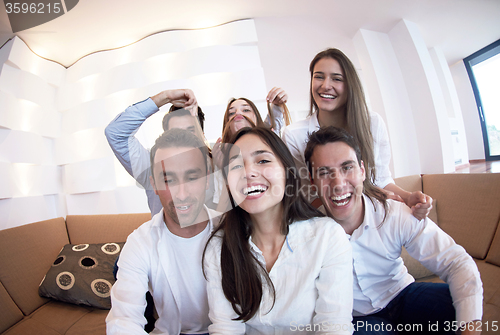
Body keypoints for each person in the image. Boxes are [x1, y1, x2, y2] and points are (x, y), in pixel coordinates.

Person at [304, 126, 483, 335]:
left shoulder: (393, 212)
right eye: (324, 173)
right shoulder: (309, 232)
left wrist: (469, 329)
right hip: (359, 319)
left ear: (362, 171)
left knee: (464, 307)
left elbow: (456, 262)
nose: (338, 184)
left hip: (403, 294)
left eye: (347, 168)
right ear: (312, 181)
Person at [203, 126, 353, 334]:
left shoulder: (327, 236)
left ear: (287, 171)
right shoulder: (219, 246)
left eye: (263, 160)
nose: (248, 172)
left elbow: (334, 327)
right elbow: (225, 327)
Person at [282, 48, 432, 220]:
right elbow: (306, 196)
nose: (325, 86)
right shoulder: (294, 135)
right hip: (326, 221)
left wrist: (408, 197)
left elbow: (381, 179)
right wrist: (368, 198)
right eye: (319, 76)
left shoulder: (373, 123)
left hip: (373, 217)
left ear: (350, 85)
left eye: (336, 79)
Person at [106, 128, 220, 335]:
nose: (182, 194)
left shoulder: (230, 230)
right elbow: (123, 319)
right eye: (169, 180)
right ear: (154, 184)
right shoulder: (140, 242)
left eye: (192, 177)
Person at [105, 89, 207, 216]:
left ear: (203, 137)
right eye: (175, 133)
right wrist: (165, 97)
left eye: (190, 131)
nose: (183, 140)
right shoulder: (150, 167)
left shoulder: (218, 166)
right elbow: (115, 133)